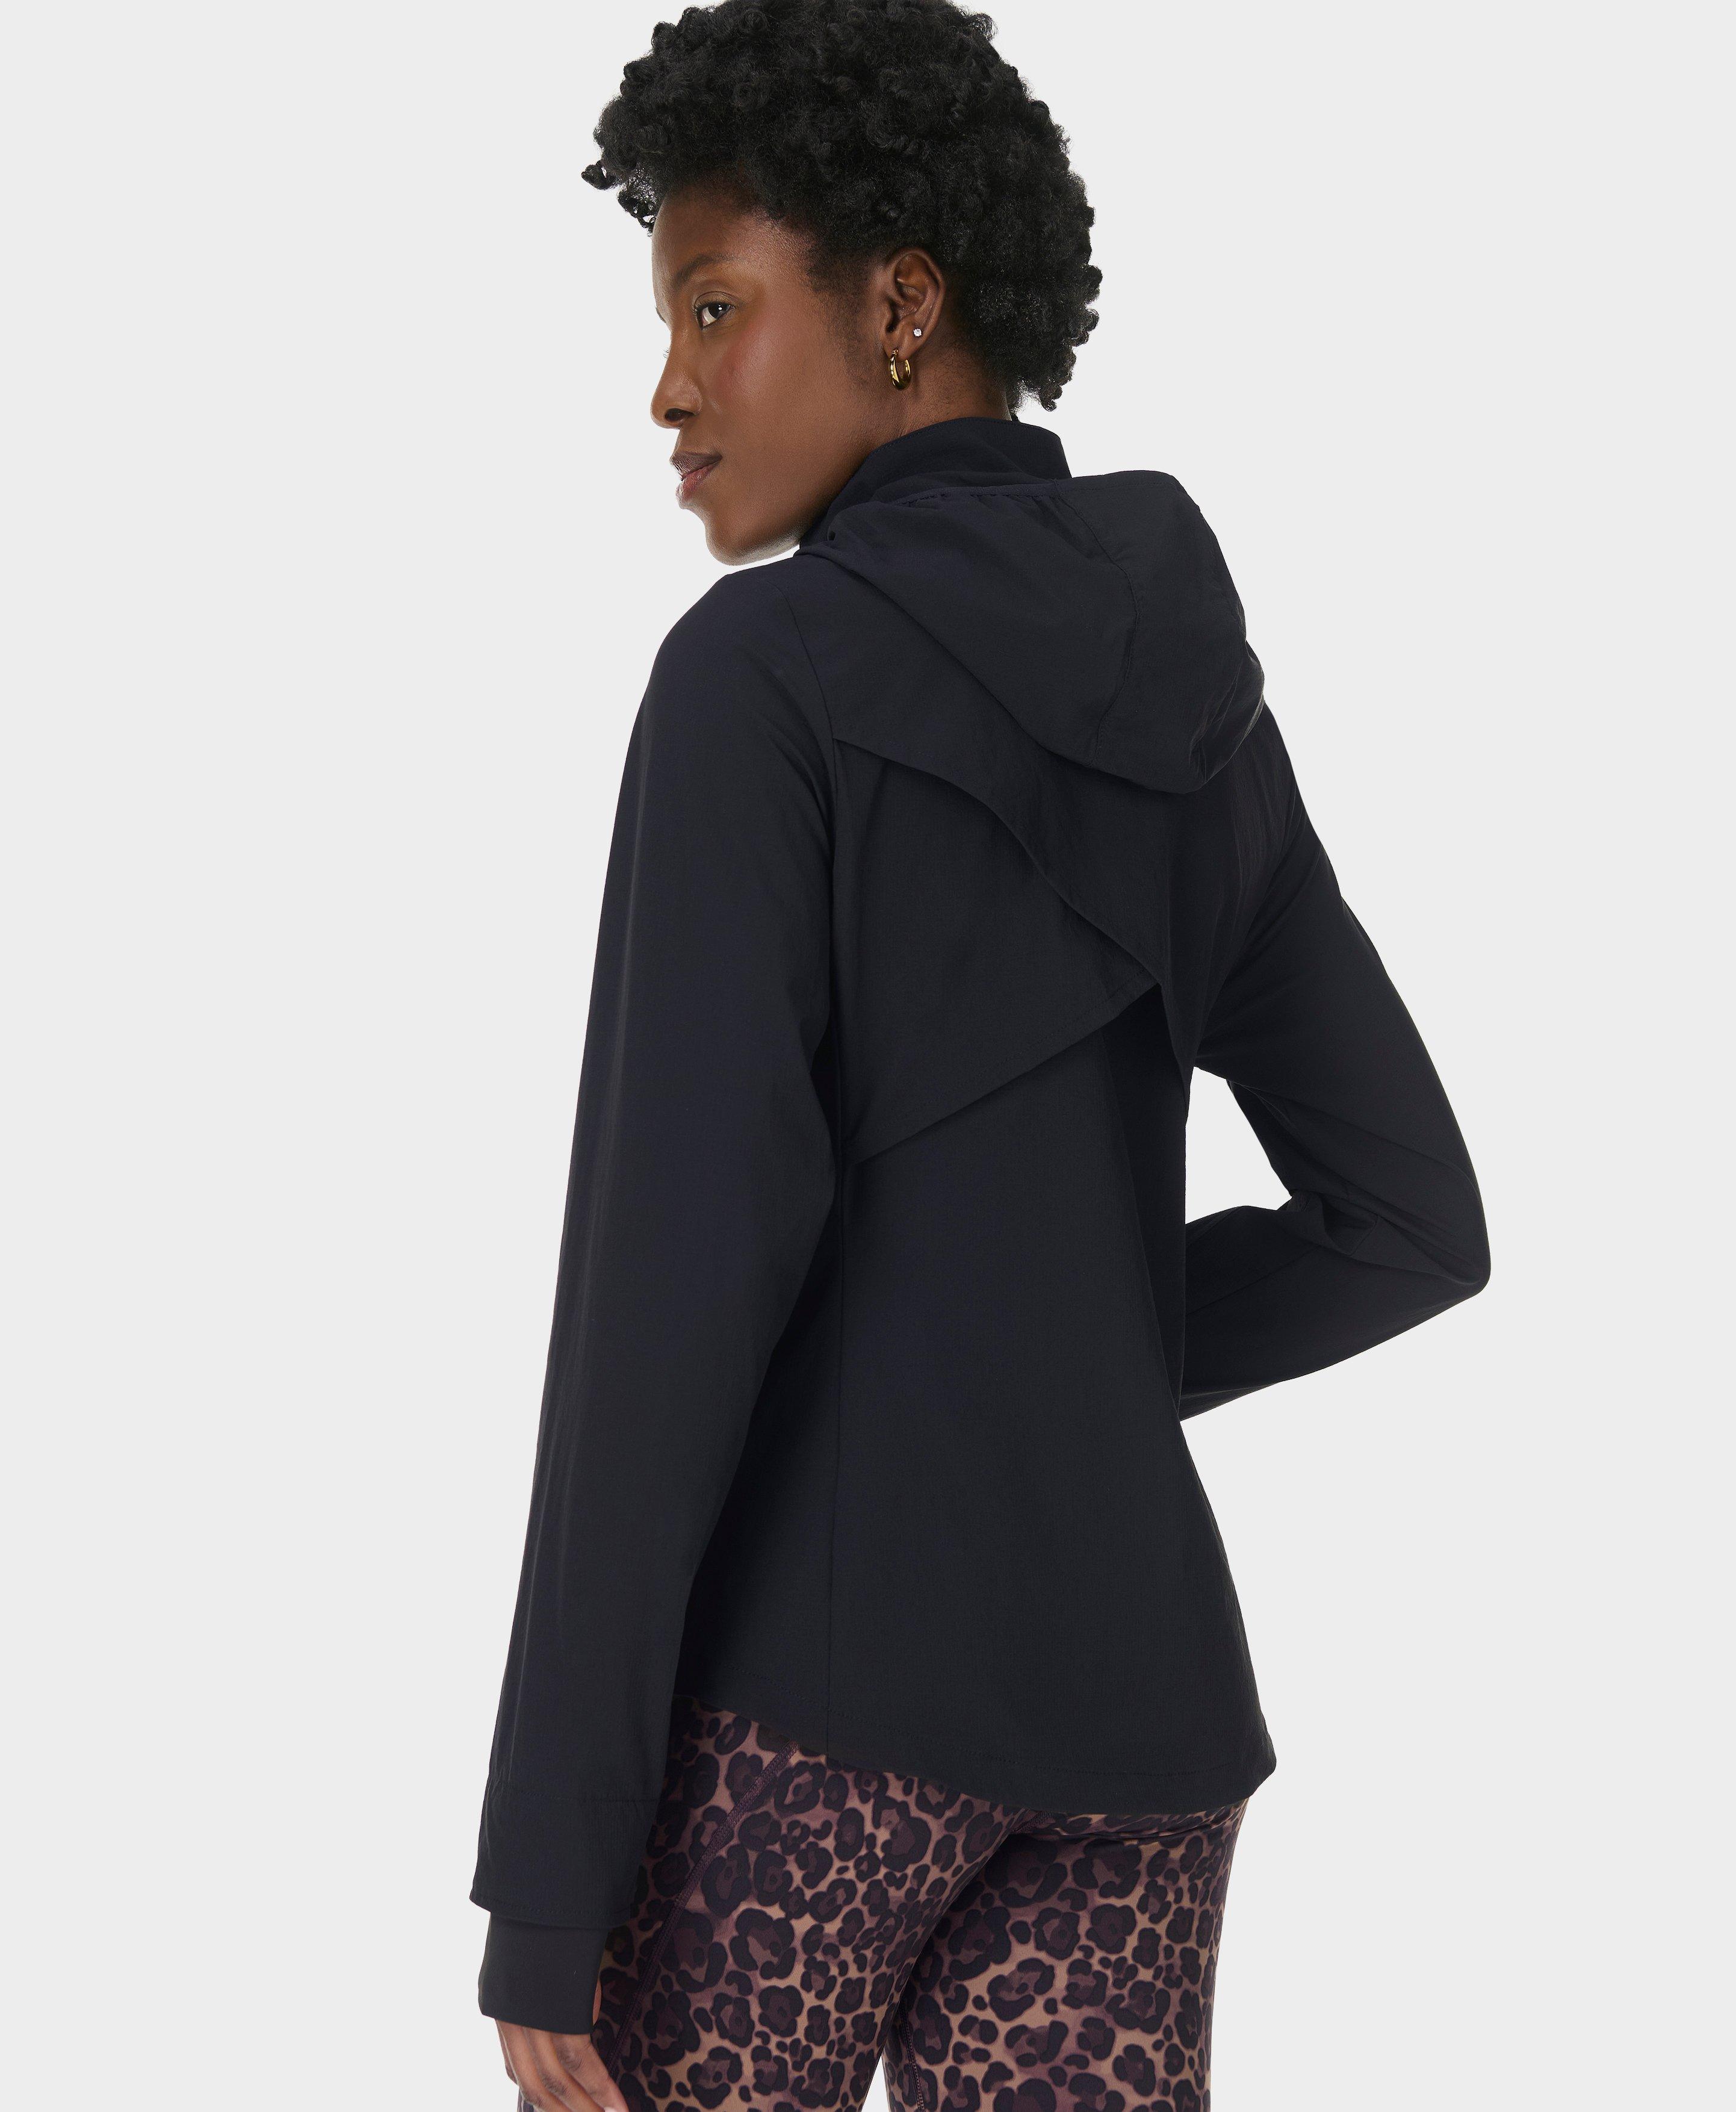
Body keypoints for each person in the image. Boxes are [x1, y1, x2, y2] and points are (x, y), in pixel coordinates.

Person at [471, 4, 1490, 2108]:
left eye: (715, 307)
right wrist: (1073, 1361)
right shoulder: (1201, 710)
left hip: (808, 1729)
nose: (667, 387)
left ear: (902, 305)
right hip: (1142, 1730)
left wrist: (547, 1872)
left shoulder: (758, 680)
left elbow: (665, 1305)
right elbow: (1407, 1218)